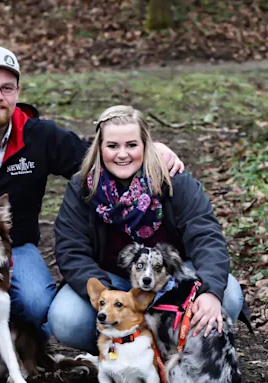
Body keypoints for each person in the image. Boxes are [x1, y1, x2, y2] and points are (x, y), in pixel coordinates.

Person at [0, 46, 184, 373]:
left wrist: (151, 149)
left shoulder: (40, 136)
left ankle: (28, 349)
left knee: (36, 302)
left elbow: (100, 160)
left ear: (17, 92)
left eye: (6, 88)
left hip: (16, 247)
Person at [48, 105, 244, 354]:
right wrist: (112, 296)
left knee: (229, 295)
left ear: (146, 146)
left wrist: (210, 291)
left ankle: (187, 351)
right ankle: (121, 353)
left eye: (131, 145)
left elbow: (206, 235)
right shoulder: (82, 188)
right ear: (99, 148)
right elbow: (70, 249)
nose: (122, 155)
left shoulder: (175, 180)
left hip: (173, 278)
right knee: (66, 318)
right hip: (114, 282)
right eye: (112, 146)